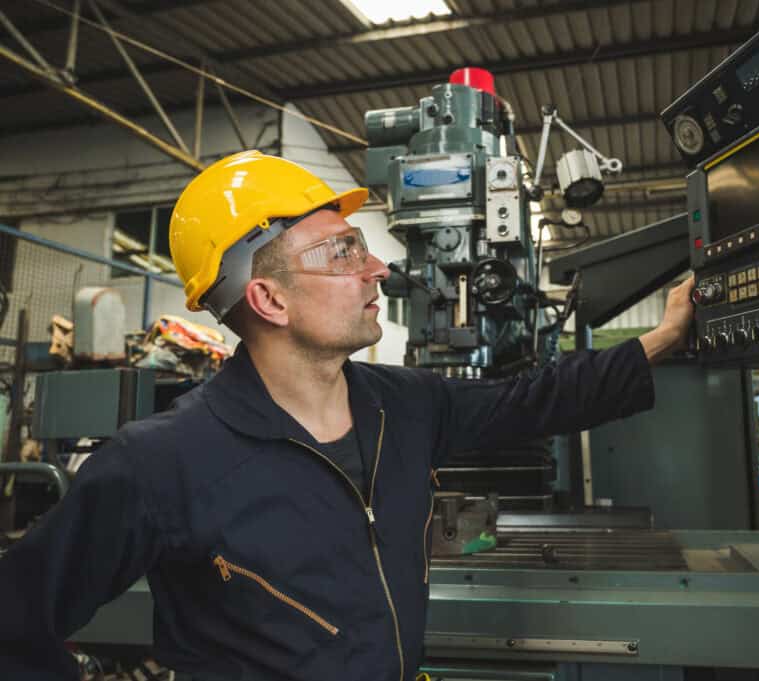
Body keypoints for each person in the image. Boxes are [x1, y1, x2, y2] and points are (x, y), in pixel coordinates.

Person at [0, 150, 695, 680]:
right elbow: (15, 620)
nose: (377, 270)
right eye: (343, 251)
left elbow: (534, 398)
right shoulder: (161, 463)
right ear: (270, 300)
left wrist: (660, 339)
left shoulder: (405, 405)